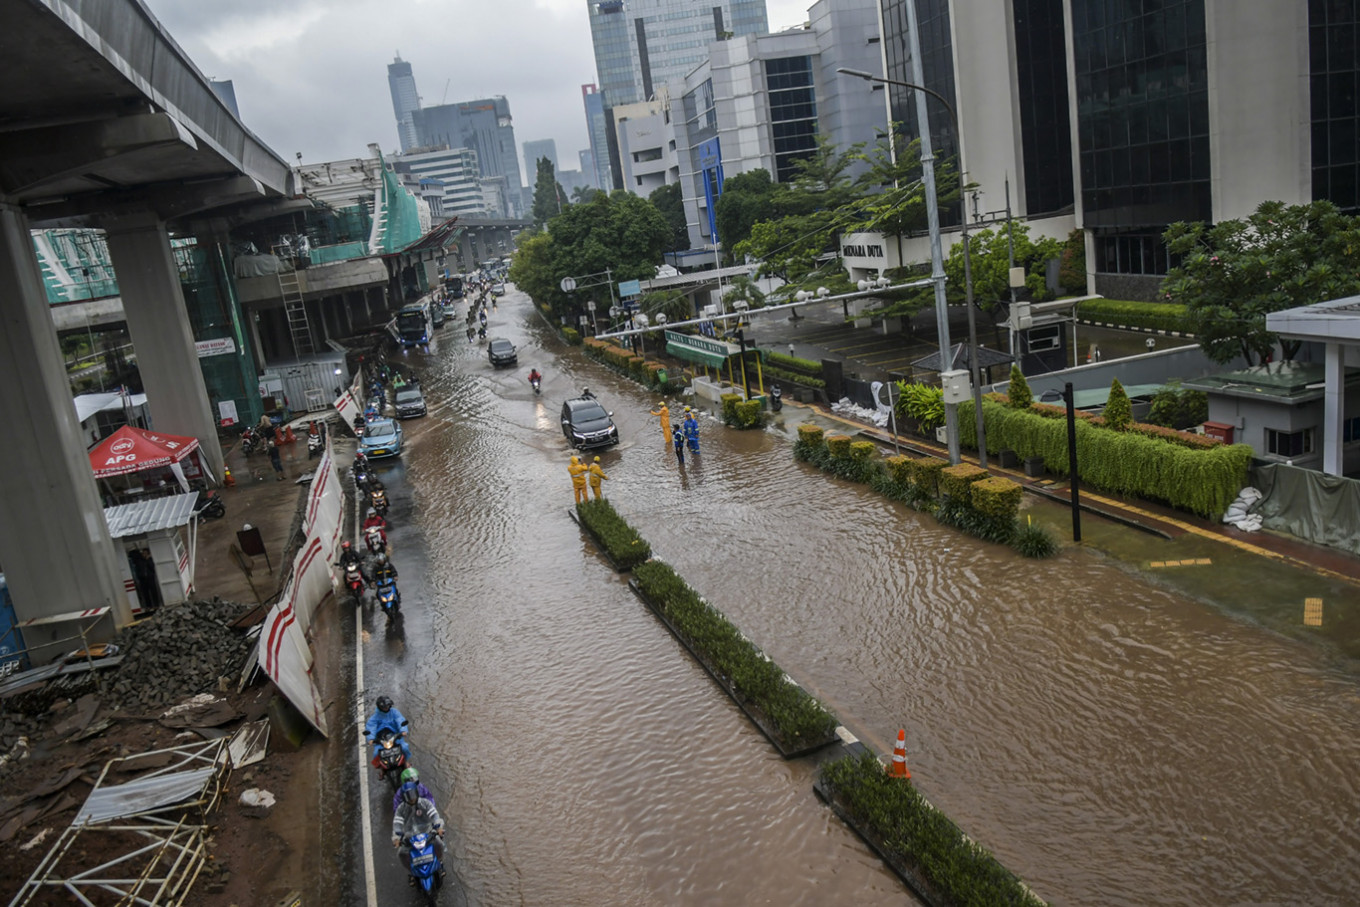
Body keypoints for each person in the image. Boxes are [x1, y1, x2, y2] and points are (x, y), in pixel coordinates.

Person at [392, 781, 446, 883]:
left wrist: (438, 827)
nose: (411, 798)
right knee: (401, 853)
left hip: (427, 833)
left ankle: (440, 863)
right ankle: (412, 871)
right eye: (408, 796)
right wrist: (396, 838)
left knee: (439, 844)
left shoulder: (425, 803)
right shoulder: (401, 809)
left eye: (413, 795)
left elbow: (434, 814)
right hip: (410, 837)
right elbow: (397, 823)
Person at [364, 695, 411, 761]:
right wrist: (371, 739)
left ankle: (405, 762)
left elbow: (400, 720)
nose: (386, 708)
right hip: (381, 740)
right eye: (384, 707)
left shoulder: (394, 712)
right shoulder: (374, 718)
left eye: (387, 706)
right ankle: (381, 770)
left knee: (404, 748)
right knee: (376, 754)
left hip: (395, 737)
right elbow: (371, 727)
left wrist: (403, 730)